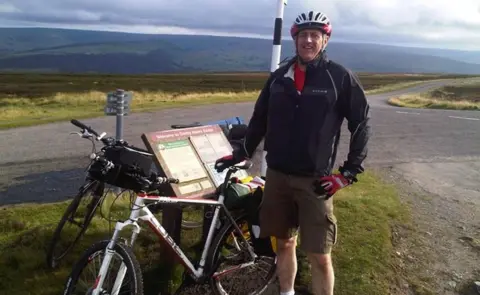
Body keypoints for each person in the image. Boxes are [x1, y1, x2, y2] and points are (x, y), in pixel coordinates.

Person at [214, 9, 371, 295]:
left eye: (315, 35)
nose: (308, 41)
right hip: (277, 177)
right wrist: (243, 152)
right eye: (303, 35)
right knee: (283, 244)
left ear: (325, 40)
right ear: (294, 39)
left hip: (315, 181)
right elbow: (260, 118)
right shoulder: (278, 78)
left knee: (320, 255)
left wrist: (348, 172)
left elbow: (360, 122)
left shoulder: (339, 77)